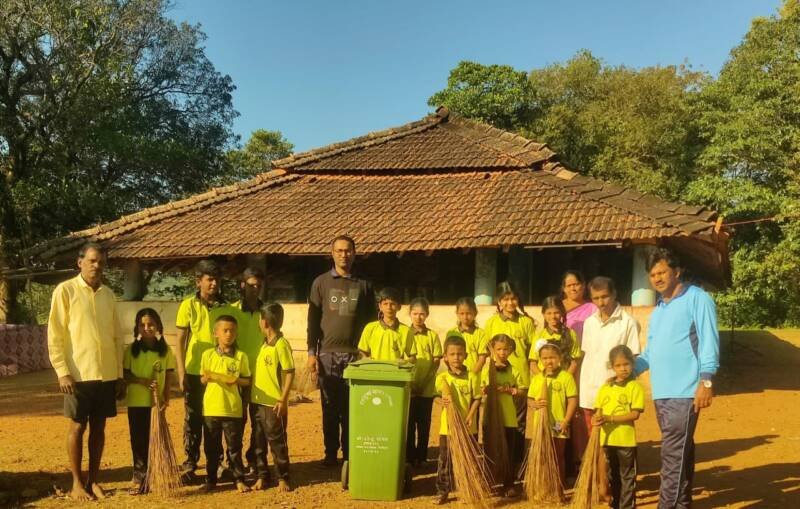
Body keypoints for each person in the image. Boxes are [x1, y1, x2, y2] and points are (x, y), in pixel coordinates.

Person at [634, 248, 719, 509]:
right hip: (662, 393)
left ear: (677, 271)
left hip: (685, 392)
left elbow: (709, 341)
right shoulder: (659, 309)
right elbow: (650, 352)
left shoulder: (698, 298)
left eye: (662, 272)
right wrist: (626, 369)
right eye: (653, 275)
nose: (657, 278)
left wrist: (706, 381)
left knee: (672, 455)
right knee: (681, 451)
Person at [47, 242, 124, 501]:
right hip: (78, 374)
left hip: (106, 374)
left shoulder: (109, 295)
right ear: (79, 263)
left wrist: (119, 374)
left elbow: (117, 336)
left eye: (101, 262)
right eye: (92, 261)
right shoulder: (65, 291)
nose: (96, 266)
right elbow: (55, 334)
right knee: (78, 427)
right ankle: (77, 484)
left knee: (99, 428)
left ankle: (94, 481)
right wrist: (62, 371)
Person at [307, 235, 375, 467]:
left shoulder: (364, 284)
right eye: (339, 250)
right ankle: (330, 454)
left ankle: (349, 454)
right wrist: (311, 353)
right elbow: (313, 321)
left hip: (356, 356)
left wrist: (367, 354)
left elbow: (371, 323)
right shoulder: (321, 283)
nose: (343, 254)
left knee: (352, 408)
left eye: (347, 250)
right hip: (327, 355)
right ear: (332, 253)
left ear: (354, 253)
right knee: (329, 408)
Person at [174, 259, 236, 481]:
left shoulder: (226, 308)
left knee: (214, 419)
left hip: (217, 374)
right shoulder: (188, 305)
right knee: (192, 419)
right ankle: (190, 464)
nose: (214, 284)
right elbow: (180, 341)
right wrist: (181, 372)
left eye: (217, 279)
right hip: (193, 372)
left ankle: (216, 463)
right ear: (198, 281)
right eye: (210, 279)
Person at [576, 277, 640, 463]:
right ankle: (596, 477)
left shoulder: (628, 323)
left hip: (615, 393)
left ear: (614, 294)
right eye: (595, 298)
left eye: (604, 297)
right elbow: (587, 356)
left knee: (614, 440)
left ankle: (614, 478)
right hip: (589, 389)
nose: (600, 302)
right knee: (593, 438)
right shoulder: (589, 322)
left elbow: (633, 357)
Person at [123, 308, 176, 495]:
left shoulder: (165, 351)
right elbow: (125, 374)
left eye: (151, 324)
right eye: (142, 325)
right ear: (137, 328)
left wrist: (166, 397)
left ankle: (154, 474)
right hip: (136, 402)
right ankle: (139, 477)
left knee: (155, 438)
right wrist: (141, 381)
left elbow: (168, 376)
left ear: (158, 326)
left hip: (155, 404)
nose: (147, 328)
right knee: (138, 439)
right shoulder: (131, 351)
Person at [483, 282, 536, 464]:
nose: (510, 303)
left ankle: (515, 462)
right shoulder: (492, 322)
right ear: (499, 302)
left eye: (513, 299)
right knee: (496, 420)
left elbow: (533, 352)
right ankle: (496, 461)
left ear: (518, 300)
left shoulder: (526, 322)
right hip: (497, 379)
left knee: (518, 424)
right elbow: (487, 348)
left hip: (520, 381)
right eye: (505, 299)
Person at [200, 315, 251, 493]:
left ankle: (239, 479)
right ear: (216, 333)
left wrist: (235, 380)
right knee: (211, 448)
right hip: (211, 409)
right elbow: (202, 378)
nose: (229, 334)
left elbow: (247, 380)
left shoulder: (240, 357)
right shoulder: (207, 355)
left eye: (232, 331)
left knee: (234, 448)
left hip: (232, 410)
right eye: (225, 330)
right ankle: (211, 480)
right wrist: (207, 378)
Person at [593, 345, 645, 509]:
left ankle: (627, 506)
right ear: (612, 366)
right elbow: (598, 410)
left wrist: (611, 418)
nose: (623, 369)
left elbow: (635, 414)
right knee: (613, 475)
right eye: (618, 365)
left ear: (632, 363)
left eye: (626, 364)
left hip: (626, 441)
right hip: (608, 440)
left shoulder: (635, 387)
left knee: (627, 476)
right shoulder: (605, 387)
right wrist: (596, 419)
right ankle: (615, 505)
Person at [251, 302, 294, 493]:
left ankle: (282, 477)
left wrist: (283, 400)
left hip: (273, 404)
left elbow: (289, 372)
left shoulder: (281, 345)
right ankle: (262, 476)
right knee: (258, 441)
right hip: (257, 401)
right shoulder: (264, 344)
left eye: (260, 319)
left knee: (277, 442)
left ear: (265, 322)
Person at [434, 336, 481, 505]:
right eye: (452, 354)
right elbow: (437, 396)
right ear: (445, 357)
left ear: (466, 355)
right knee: (445, 460)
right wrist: (443, 401)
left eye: (460, 354)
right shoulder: (442, 378)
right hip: (448, 428)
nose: (456, 357)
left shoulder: (472, 377)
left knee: (469, 458)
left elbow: (477, 398)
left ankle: (469, 489)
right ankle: (442, 491)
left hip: (468, 427)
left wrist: (470, 416)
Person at [528, 340, 578, 486]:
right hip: (541, 424)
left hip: (558, 423)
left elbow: (572, 400)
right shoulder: (537, 379)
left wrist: (566, 420)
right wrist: (535, 404)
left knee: (558, 455)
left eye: (552, 357)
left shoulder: (566, 377)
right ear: (540, 360)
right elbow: (529, 399)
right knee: (542, 455)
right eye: (545, 358)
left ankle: (558, 486)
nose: (548, 361)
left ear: (559, 358)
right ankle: (544, 486)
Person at [231, 267, 265, 473]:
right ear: (243, 285)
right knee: (236, 421)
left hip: (260, 376)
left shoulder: (265, 312)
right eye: (251, 285)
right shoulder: (232, 310)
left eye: (259, 286)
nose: (255, 289)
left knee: (259, 422)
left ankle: (254, 459)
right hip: (237, 376)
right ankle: (232, 463)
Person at [481, 334, 520, 497]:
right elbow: (482, 389)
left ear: (510, 350)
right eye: (498, 349)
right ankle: (490, 483)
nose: (502, 353)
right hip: (491, 418)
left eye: (505, 349)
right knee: (490, 450)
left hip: (509, 418)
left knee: (508, 452)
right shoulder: (487, 369)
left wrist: (511, 390)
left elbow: (521, 390)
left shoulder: (514, 370)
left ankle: (508, 484)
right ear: (493, 350)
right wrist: (488, 389)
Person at [406, 297, 442, 467]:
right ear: (410, 314)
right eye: (415, 313)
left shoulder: (432, 335)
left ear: (427, 315)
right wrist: (412, 383)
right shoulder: (405, 334)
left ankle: (421, 457)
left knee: (424, 423)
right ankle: (409, 457)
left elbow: (436, 361)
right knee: (408, 424)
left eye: (422, 314)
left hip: (426, 388)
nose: (418, 317)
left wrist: (425, 381)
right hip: (409, 388)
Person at [529, 296, 582, 377]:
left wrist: (564, 379)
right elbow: (533, 363)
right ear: (543, 314)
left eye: (556, 313)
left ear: (562, 312)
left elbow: (574, 362)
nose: (553, 317)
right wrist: (544, 378)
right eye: (549, 313)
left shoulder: (571, 334)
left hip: (564, 380)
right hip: (544, 380)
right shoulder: (539, 336)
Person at [357, 287, 415, 361]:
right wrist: (366, 359)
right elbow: (362, 353)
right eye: (385, 304)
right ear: (380, 306)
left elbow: (413, 358)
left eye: (392, 304)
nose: (389, 307)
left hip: (396, 368)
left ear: (399, 307)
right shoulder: (370, 328)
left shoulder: (406, 331)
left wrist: (404, 362)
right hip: (374, 368)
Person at [445, 297, 487, 373]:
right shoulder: (451, 333)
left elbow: (482, 358)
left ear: (475, 313)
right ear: (457, 314)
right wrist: (455, 373)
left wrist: (472, 375)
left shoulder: (481, 334)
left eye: (469, 313)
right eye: (462, 313)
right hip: (455, 376)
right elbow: (446, 357)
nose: (465, 317)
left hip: (474, 375)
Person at [561, 270, 597, 342]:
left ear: (583, 285)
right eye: (569, 286)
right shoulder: (557, 306)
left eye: (576, 284)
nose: (573, 289)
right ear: (564, 289)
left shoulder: (593, 308)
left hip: (586, 346)